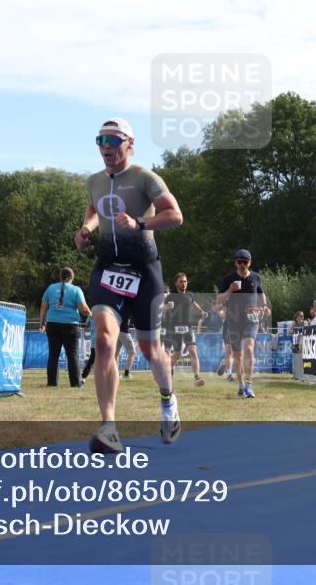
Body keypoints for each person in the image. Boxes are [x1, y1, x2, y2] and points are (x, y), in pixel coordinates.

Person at [74, 118, 183, 453]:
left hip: (144, 270)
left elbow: (175, 216)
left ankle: (168, 401)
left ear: (129, 143)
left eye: (112, 140)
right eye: (100, 140)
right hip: (108, 268)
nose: (105, 147)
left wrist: (140, 223)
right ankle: (108, 427)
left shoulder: (146, 178)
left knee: (151, 350)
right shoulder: (94, 181)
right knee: (104, 341)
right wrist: (86, 229)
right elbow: (94, 208)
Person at [217, 249, 269, 399]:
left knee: (249, 348)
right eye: (239, 262)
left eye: (245, 262)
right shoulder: (229, 279)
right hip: (233, 320)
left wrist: (265, 306)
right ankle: (241, 386)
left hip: (251, 318)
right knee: (237, 356)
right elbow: (219, 300)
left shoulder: (256, 277)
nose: (242, 264)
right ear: (235, 263)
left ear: (249, 262)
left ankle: (249, 385)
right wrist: (230, 290)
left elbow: (261, 293)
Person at [40, 267, 92, 388]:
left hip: (52, 324)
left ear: (60, 277)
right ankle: (75, 383)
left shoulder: (50, 288)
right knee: (72, 355)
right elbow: (83, 309)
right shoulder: (76, 289)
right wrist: (91, 314)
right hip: (70, 326)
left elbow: (43, 306)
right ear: (71, 277)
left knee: (53, 355)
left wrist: (42, 322)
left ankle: (52, 383)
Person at [165, 273, 209, 387]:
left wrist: (201, 312)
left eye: (185, 281)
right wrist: (167, 307)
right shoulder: (171, 296)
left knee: (193, 349)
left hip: (187, 327)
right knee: (177, 355)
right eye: (181, 282)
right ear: (176, 283)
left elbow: (194, 303)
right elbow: (161, 309)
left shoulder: (190, 295)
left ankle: (197, 378)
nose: (184, 283)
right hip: (175, 328)